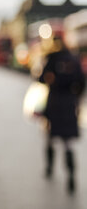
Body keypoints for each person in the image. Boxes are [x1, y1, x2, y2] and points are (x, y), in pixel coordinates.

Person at [38, 35, 85, 194]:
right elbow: (82, 82)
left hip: (54, 102)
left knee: (50, 137)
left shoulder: (51, 59)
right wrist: (76, 99)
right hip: (69, 103)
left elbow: (41, 79)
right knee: (68, 142)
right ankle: (71, 175)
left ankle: (49, 168)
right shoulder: (73, 59)